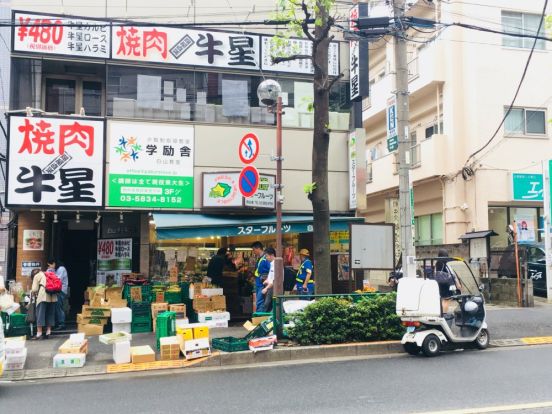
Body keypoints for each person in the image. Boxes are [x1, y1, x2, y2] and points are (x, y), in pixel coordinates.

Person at [31, 268, 57, 340]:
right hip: (53, 296)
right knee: (50, 313)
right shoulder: (48, 274)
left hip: (43, 296)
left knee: (40, 314)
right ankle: (48, 332)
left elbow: (34, 289)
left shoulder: (37, 276)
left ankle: (39, 333)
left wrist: (33, 293)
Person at [48, 258, 68, 331]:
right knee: (56, 307)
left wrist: (51, 272)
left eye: (50, 265)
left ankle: (61, 324)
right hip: (56, 291)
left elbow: (57, 279)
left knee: (59, 307)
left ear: (54, 263)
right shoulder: (55, 269)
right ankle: (57, 323)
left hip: (61, 291)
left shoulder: (61, 269)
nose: (50, 266)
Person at [252, 241, 270, 312]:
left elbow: (270, 271)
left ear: (258, 248)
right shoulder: (260, 258)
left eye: (254, 250)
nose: (253, 252)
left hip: (262, 284)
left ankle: (260, 320)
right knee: (259, 302)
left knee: (260, 302)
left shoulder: (265, 258)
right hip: (259, 283)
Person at [262, 248, 276, 312]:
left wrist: (266, 288)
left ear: (272, 255)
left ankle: (268, 320)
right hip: (270, 287)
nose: (266, 258)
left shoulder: (276, 264)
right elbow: (271, 276)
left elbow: (274, 280)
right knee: (267, 304)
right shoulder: (272, 264)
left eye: (267, 256)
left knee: (272, 305)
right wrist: (267, 280)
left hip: (274, 288)